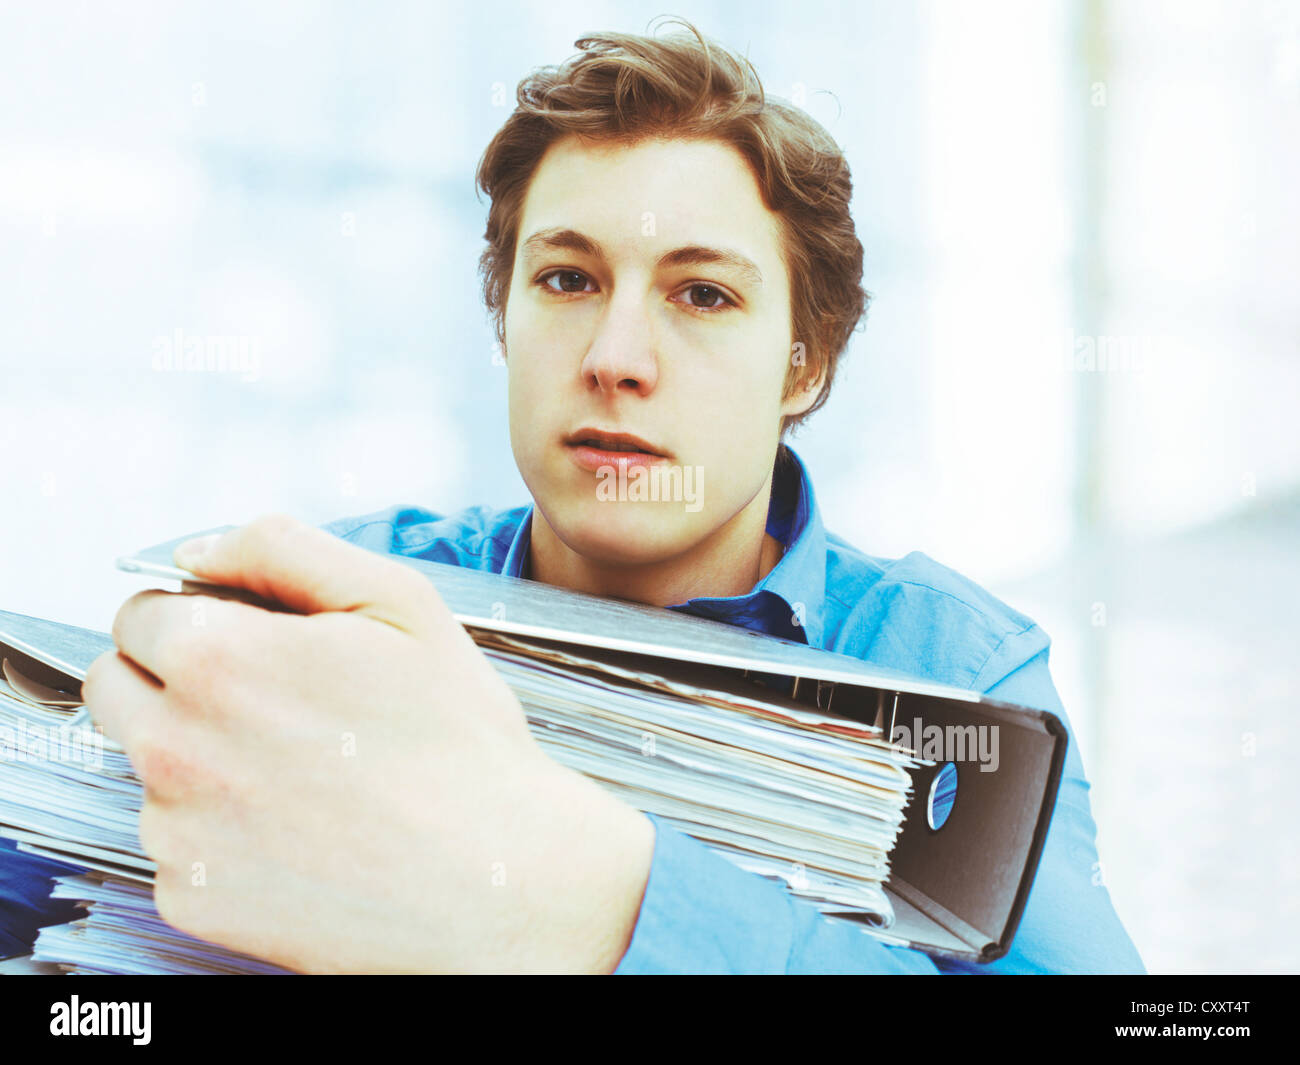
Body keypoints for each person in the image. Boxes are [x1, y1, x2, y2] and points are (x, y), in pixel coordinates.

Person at [66, 21, 1142, 973]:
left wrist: (601, 912)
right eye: (568, 280)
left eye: (703, 294)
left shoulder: (950, 671)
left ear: (803, 367)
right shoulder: (336, 605)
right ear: (504, 321)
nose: (616, 357)